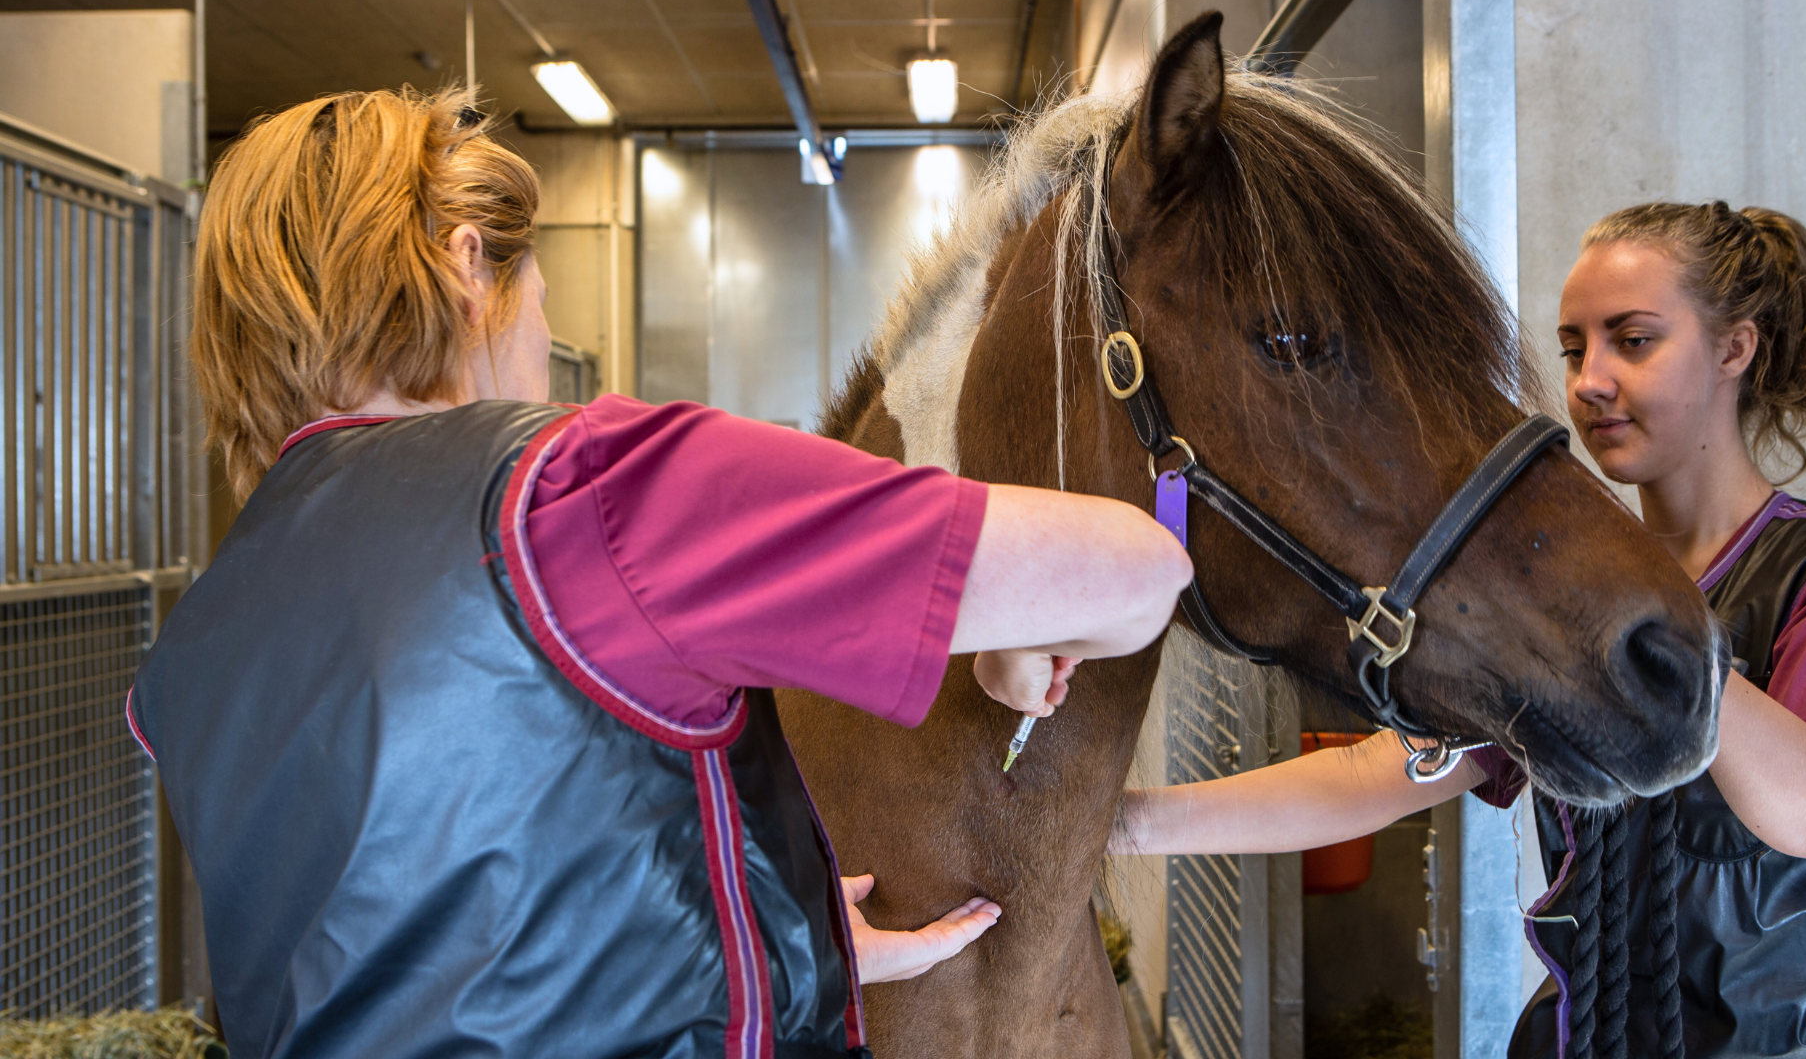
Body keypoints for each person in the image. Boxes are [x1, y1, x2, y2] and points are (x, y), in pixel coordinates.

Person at [127, 89, 1192, 1059]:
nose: (548, 335)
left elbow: (439, 930)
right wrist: (997, 626)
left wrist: (770, 947)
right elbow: (1137, 573)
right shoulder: (579, 491)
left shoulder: (202, 643)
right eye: (540, 286)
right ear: (464, 265)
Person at [1113, 201, 1806, 1057]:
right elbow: (1376, 773)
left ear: (1733, 349)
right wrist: (1122, 822)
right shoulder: (1557, 595)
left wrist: (1652, 630)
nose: (1590, 380)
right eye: (1575, 348)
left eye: (1633, 340)